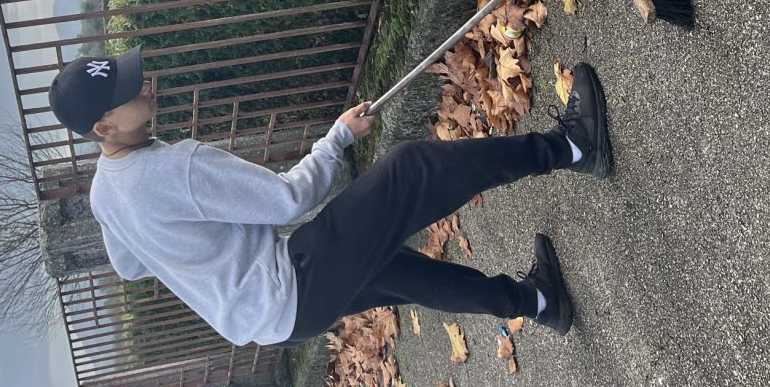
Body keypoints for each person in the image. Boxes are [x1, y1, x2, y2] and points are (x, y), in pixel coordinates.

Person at [48, 45, 614, 350]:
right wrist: (336, 139)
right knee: (411, 169)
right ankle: (572, 146)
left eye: (132, 75)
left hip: (275, 322)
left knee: (402, 273)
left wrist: (192, 251)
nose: (146, 85)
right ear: (104, 127)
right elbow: (288, 200)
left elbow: (129, 265)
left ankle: (539, 302)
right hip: (291, 282)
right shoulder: (176, 168)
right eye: (130, 90)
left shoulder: (105, 195)